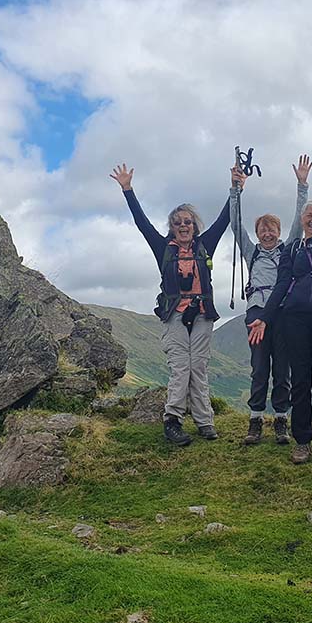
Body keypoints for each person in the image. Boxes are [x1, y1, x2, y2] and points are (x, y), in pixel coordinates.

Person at [110, 162, 232, 446]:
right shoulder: (163, 247)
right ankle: (173, 421)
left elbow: (225, 219)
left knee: (198, 366)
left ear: (195, 226)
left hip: (202, 314)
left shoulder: (206, 244)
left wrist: (236, 187)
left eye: (188, 222)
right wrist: (128, 190)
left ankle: (204, 421)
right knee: (181, 367)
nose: (183, 226)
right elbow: (142, 224)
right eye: (177, 223)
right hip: (174, 315)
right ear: (172, 228)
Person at [249, 138, 312, 466]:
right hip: (295, 319)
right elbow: (281, 285)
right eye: (310, 216)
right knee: (301, 380)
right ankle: (302, 441)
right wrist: (264, 315)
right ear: (303, 220)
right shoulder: (291, 250)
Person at [229, 155, 311, 445]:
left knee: (283, 368)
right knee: (260, 365)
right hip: (255, 313)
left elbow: (299, 224)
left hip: (284, 313)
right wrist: (236, 189)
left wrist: (302, 185)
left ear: (278, 232)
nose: (266, 232)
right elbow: (234, 223)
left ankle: (280, 419)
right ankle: (255, 420)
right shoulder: (252, 253)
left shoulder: (287, 250)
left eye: (271, 228)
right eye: (262, 229)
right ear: (257, 233)